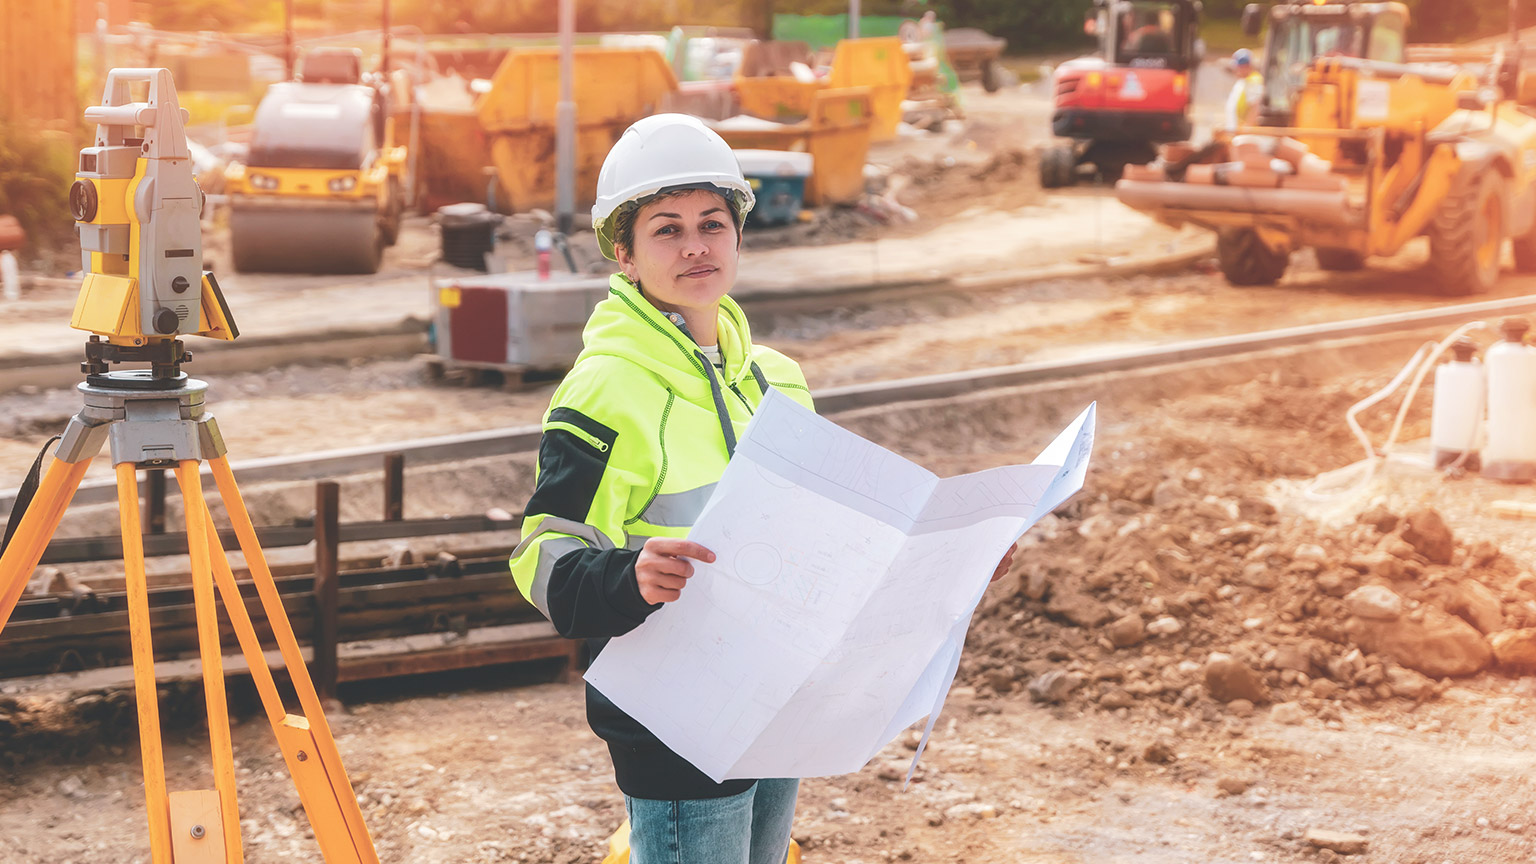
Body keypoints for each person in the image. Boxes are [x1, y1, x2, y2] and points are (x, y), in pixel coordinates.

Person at [509, 113, 1017, 863]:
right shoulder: (605, 389)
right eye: (667, 229)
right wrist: (630, 574)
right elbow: (541, 558)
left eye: (712, 224)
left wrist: (955, 559)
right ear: (624, 251)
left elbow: (830, 541)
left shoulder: (775, 379)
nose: (695, 246)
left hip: (775, 698)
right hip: (675, 716)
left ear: (739, 236)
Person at [1224, 48, 1263, 130]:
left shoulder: (1253, 81)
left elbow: (1255, 107)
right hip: (1237, 130)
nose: (1235, 70)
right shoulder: (1243, 81)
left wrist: (1247, 128)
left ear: (1245, 66)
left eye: (1237, 67)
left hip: (1244, 133)